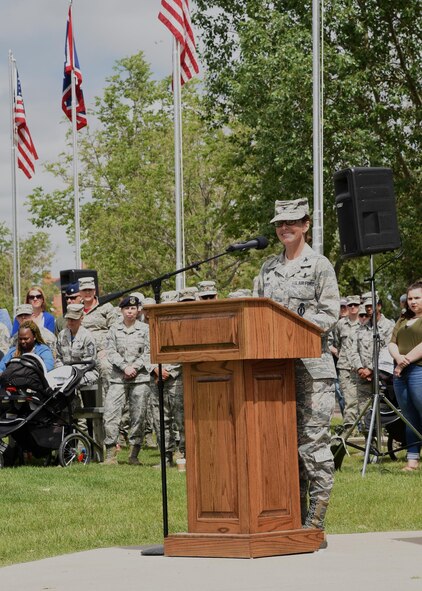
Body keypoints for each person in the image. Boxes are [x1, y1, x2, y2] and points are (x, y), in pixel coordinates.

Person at [254, 198, 339, 530]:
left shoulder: (319, 265)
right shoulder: (267, 268)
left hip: (312, 370)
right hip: (275, 370)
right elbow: (259, 311)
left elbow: (330, 312)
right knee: (282, 444)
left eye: (292, 222)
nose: (284, 228)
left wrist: (290, 331)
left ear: (306, 224)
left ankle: (314, 522)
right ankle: (289, 518)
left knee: (312, 442)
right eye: (279, 224)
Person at [104, 296, 151, 465]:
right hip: (118, 378)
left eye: (133, 308)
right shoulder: (114, 329)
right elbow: (110, 351)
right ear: (121, 310)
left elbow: (149, 352)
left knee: (138, 415)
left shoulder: (145, 329)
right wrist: (125, 367)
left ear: (138, 310)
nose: (130, 312)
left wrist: (135, 368)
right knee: (111, 414)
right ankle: (110, 455)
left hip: (140, 378)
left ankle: (134, 455)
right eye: (127, 309)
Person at [388, 280, 422, 471]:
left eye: (417, 297)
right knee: (409, 418)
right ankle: (412, 461)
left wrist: (405, 360)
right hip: (400, 374)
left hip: (418, 370)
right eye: (410, 298)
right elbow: (392, 342)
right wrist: (398, 358)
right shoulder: (402, 320)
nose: (412, 302)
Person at [79, 276, 118, 401]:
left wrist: (106, 350)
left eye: (90, 290)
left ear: (95, 291)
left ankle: (110, 408)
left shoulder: (106, 307)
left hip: (103, 352)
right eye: (84, 290)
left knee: (107, 368)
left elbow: (115, 330)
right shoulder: (76, 310)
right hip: (82, 354)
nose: (87, 293)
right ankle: (80, 419)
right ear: (80, 293)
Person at [331, 295, 361, 429]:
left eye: (355, 305)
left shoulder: (365, 322)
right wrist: (342, 355)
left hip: (362, 367)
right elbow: (336, 343)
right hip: (345, 366)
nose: (353, 307)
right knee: (348, 400)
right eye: (350, 305)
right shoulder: (340, 324)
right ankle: (350, 429)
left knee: (363, 399)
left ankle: (365, 428)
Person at [55, 303, 98, 387]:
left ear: (81, 318)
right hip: (65, 372)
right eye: (69, 319)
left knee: (71, 384)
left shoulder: (87, 337)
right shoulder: (62, 335)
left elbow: (89, 362)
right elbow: (58, 358)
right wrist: (61, 370)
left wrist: (73, 372)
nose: (70, 322)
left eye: (74, 319)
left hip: (85, 372)